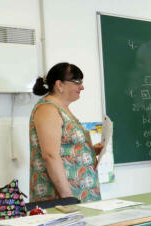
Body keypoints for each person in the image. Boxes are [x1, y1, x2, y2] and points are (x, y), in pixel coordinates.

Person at [29, 62, 101, 203]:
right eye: (77, 82)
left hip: (80, 194)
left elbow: (64, 149)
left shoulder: (61, 108)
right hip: (62, 198)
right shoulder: (48, 109)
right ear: (59, 85)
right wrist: (68, 199)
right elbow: (50, 155)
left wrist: (90, 150)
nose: (82, 87)